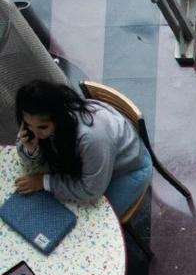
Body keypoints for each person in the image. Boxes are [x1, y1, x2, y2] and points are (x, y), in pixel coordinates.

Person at [12, 79, 153, 212]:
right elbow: (37, 161)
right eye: (28, 125)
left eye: (42, 127)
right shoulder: (47, 122)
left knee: (88, 218)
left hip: (128, 169)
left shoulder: (92, 139)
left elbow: (91, 190)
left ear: (58, 118)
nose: (35, 134)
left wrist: (44, 182)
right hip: (98, 162)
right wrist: (31, 150)